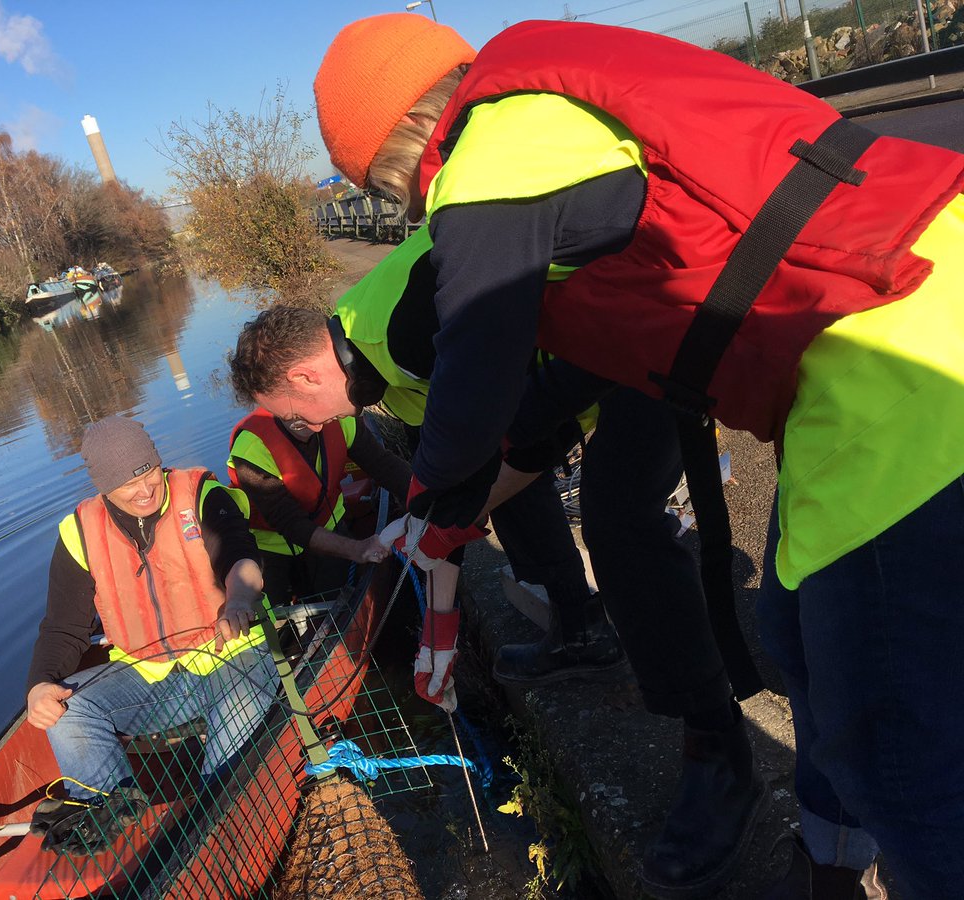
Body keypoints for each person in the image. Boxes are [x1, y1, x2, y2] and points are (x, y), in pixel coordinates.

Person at [310, 14, 964, 900]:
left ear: (393, 149)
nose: (409, 208)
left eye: (386, 188)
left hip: (894, 346)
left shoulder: (493, 150)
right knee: (798, 635)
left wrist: (431, 506)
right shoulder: (553, 134)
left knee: (892, 735)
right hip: (883, 313)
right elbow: (562, 384)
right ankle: (828, 863)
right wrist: (468, 497)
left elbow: (477, 372)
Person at [230, 234, 753, 899]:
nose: (302, 427)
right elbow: (482, 470)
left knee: (623, 525)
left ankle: (721, 756)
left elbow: (525, 432)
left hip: (639, 317)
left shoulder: (403, 330)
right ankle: (583, 633)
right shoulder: (385, 378)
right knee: (521, 499)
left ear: (304, 378)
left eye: (293, 417)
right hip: (571, 367)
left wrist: (442, 515)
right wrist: (439, 638)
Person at [24, 414, 278, 854]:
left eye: (148, 474)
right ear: (104, 488)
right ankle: (112, 812)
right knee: (70, 707)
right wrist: (39, 684)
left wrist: (237, 601)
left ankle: (215, 831)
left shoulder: (202, 495)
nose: (144, 490)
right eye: (128, 485)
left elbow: (240, 555)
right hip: (152, 678)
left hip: (236, 657)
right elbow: (64, 628)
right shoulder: (78, 533)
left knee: (223, 775)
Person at [227, 406, 411, 603]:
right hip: (271, 550)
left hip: (330, 528)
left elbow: (382, 464)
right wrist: (357, 549)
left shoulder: (339, 416)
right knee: (272, 614)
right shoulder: (252, 445)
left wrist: (427, 497)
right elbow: (291, 524)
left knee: (339, 598)